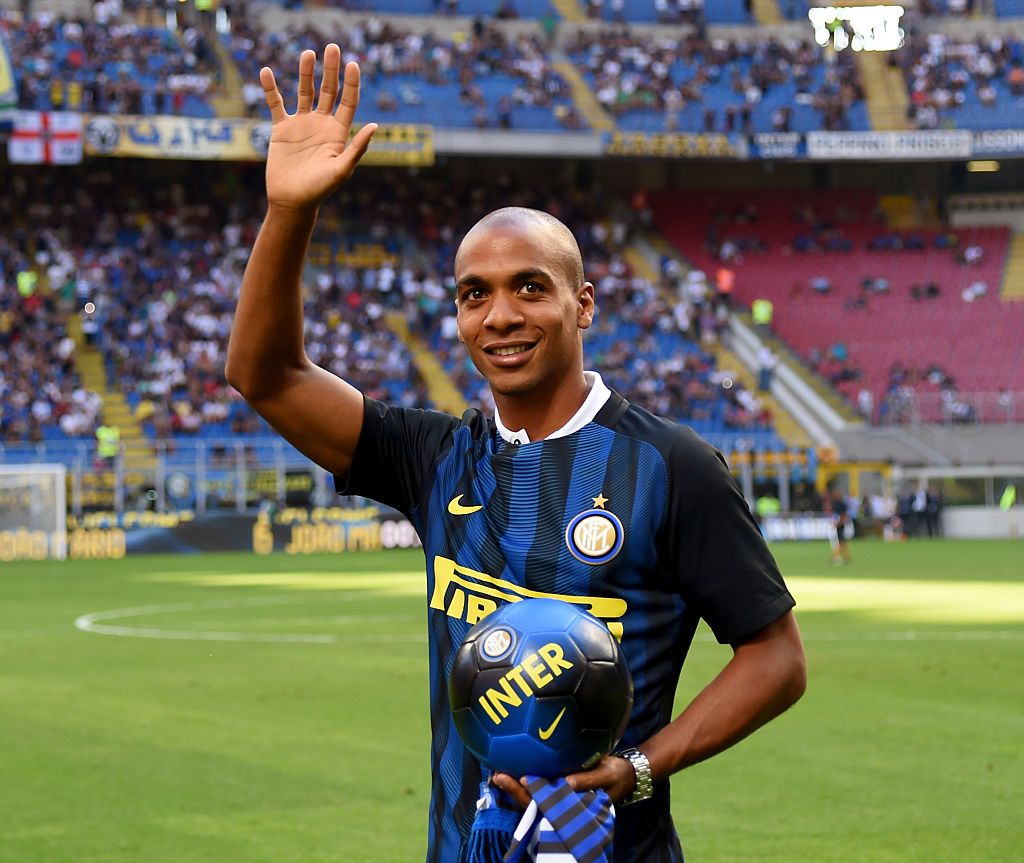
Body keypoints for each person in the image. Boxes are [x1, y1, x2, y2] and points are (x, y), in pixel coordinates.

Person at [226, 46, 807, 863]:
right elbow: (265, 374)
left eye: (530, 286)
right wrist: (289, 210)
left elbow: (777, 656)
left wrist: (641, 766)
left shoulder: (668, 467)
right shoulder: (433, 457)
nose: (500, 314)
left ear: (583, 303)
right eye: (475, 294)